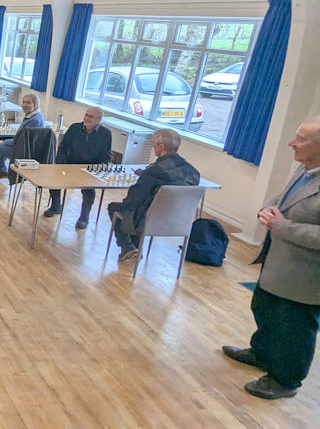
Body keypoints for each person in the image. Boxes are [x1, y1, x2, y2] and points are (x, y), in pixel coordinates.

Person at [222, 116, 320, 400]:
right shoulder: (306, 168)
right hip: (279, 263)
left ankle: (286, 381)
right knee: (264, 308)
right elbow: (282, 199)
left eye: (301, 139)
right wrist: (268, 209)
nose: (292, 143)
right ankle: (262, 353)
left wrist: (282, 226)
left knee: (295, 329)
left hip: (305, 274)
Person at [106, 128, 199, 261]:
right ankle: (134, 248)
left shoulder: (155, 171)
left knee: (117, 207)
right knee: (138, 208)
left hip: (151, 220)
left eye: (154, 144)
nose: (152, 147)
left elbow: (135, 198)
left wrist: (127, 203)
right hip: (178, 221)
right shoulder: (193, 172)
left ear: (161, 147)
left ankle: (128, 246)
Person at [42, 106, 112, 229]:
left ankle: (84, 217)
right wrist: (60, 164)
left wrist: (102, 165)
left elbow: (106, 155)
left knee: (89, 191)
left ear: (99, 119)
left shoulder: (106, 134)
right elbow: (63, 148)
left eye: (91, 116)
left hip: (90, 168)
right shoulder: (75, 128)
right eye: (86, 115)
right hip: (70, 164)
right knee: (53, 180)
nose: (86, 118)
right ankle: (56, 206)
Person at [0, 93, 44, 181]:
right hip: (22, 146)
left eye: (28, 103)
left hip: (23, 150)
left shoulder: (34, 120)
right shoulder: (35, 116)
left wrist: (5, 142)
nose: (25, 105)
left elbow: (22, 140)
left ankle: (1, 169)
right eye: (23, 102)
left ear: (35, 105)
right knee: (1, 146)